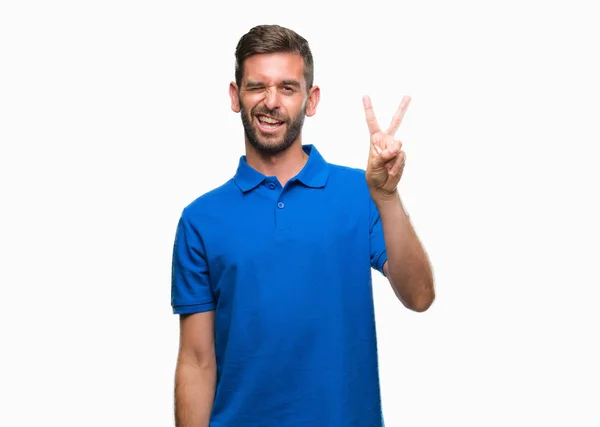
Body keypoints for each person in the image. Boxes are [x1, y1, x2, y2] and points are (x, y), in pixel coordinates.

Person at [171, 24, 435, 427]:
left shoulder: (360, 192)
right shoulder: (200, 219)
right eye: (257, 86)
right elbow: (196, 360)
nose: (271, 102)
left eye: (287, 88)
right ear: (235, 96)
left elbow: (419, 296)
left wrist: (386, 196)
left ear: (310, 101)